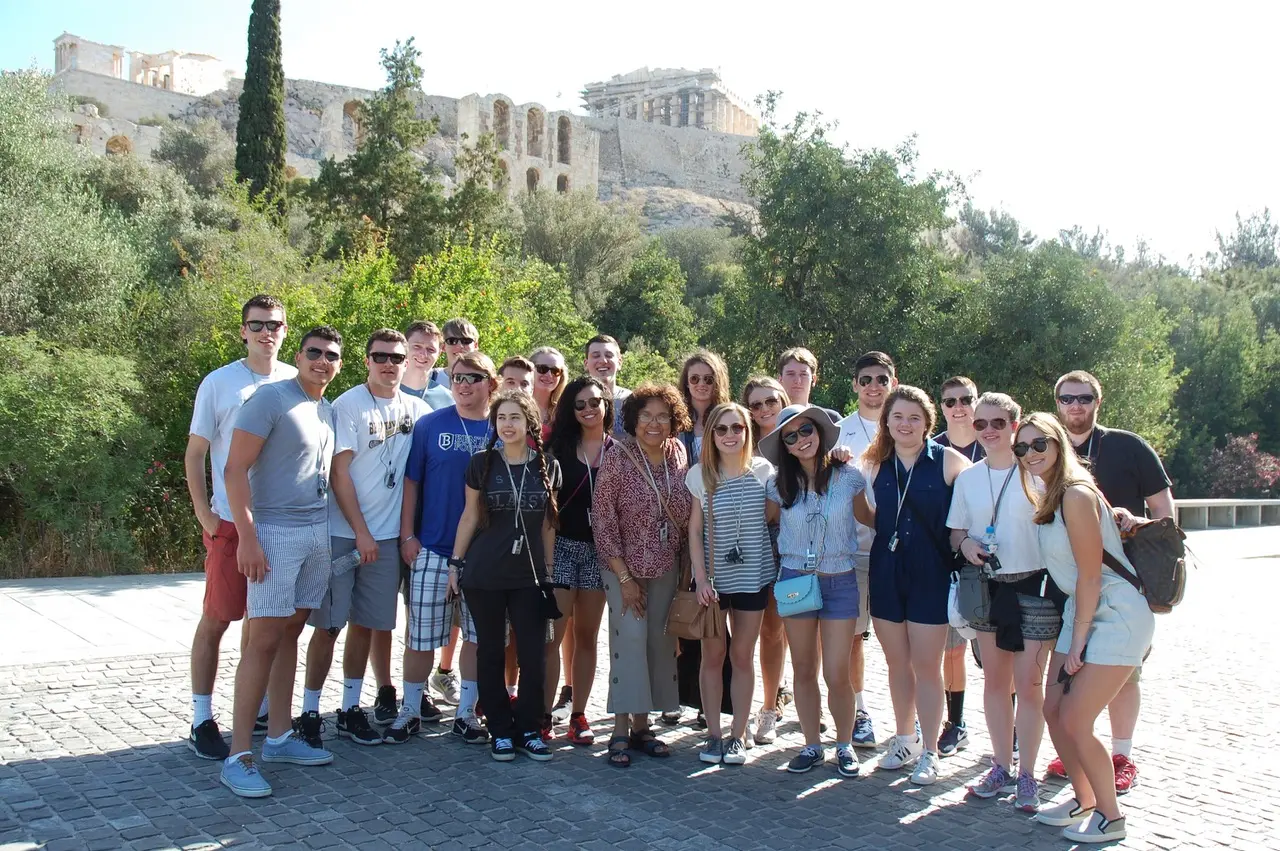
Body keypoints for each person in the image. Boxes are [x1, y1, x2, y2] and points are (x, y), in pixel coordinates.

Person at [1016, 413, 1154, 843]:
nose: (1031, 454)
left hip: (1115, 613)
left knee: (1075, 719)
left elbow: (1092, 575)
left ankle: (1111, 817)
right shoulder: (1051, 495)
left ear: (1059, 444)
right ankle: (1084, 797)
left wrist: (1076, 643)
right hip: (1084, 607)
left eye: (1040, 444)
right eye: (1022, 448)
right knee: (1052, 709)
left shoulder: (1075, 494)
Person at [218, 326, 343, 798]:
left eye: (331, 355)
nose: (322, 361)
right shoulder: (271, 399)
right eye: (314, 353)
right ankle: (239, 754)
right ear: (299, 354)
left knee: (291, 630)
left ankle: (279, 737)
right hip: (272, 533)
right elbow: (234, 469)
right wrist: (248, 538)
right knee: (262, 639)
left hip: (315, 532)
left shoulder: (325, 409)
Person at [296, 330, 432, 751]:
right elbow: (339, 474)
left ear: (407, 362)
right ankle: (309, 712)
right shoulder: (349, 405)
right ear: (366, 361)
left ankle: (351, 708)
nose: (388, 364)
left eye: (396, 357)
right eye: (379, 357)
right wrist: (360, 533)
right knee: (329, 625)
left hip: (388, 539)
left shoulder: (419, 409)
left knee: (367, 625)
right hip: (344, 534)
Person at [1043, 370, 1173, 794]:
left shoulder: (1127, 446)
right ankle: (1080, 748)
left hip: (1122, 584)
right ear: (1057, 403)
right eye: (1067, 399)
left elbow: (1165, 517)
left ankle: (1121, 755)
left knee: (1122, 675)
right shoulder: (1046, 450)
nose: (1075, 406)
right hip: (1071, 587)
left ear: (1098, 401)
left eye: (1083, 398)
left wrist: (1138, 522)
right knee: (1075, 680)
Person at [184, 295, 296, 760]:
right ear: (244, 331)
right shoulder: (220, 382)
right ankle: (201, 717)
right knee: (218, 619)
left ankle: (260, 711)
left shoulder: (297, 378)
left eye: (274, 325)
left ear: (285, 331)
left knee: (266, 624)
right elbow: (194, 454)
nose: (266, 332)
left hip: (280, 524)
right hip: (230, 522)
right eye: (257, 325)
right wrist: (206, 516)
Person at [948, 393, 1061, 812]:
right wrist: (968, 545)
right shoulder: (968, 478)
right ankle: (1000, 764)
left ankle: (1027, 774)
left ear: (1015, 425)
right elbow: (955, 533)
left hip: (1034, 589)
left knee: (1029, 686)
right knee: (995, 683)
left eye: (998, 422)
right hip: (986, 587)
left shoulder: (1038, 474)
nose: (989, 431)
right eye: (981, 424)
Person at [863, 385, 970, 787]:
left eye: (914, 418)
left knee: (927, 666)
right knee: (896, 664)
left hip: (931, 574)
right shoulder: (873, 464)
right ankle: (904, 739)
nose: (905, 424)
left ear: (928, 422)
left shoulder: (950, 463)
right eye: (897, 417)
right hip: (886, 572)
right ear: (886, 422)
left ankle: (930, 750)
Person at [758, 405, 871, 777]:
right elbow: (766, 524)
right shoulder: (777, 485)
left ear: (820, 431)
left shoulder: (850, 476)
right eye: (790, 436)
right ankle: (811, 745)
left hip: (839, 578)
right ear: (784, 447)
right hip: (795, 579)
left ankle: (843, 745)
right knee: (804, 669)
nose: (800, 440)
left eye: (806, 430)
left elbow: (872, 519)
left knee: (837, 673)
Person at [450, 390, 562, 762]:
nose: (507, 425)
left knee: (533, 655)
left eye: (515, 417)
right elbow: (468, 517)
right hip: (485, 573)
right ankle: (499, 729)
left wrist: (548, 573)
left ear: (529, 423)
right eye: (501, 418)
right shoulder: (481, 464)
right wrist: (455, 563)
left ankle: (528, 728)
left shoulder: (549, 466)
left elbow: (549, 525)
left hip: (529, 577)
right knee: (491, 653)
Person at [398, 352, 499, 746]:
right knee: (421, 636)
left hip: (484, 554)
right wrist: (409, 536)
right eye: (457, 377)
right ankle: (409, 709)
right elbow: (412, 484)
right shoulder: (428, 425)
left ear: (490, 383)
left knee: (477, 636)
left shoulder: (502, 426)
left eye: (473, 378)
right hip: (434, 547)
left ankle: (466, 713)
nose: (463, 384)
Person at [592, 382, 693, 767]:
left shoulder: (679, 454)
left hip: (667, 566)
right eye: (646, 416)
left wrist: (685, 573)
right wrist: (623, 578)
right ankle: (619, 729)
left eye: (663, 416)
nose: (654, 423)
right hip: (623, 567)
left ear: (673, 421)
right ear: (633, 420)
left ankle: (642, 727)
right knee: (629, 642)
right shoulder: (617, 457)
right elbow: (602, 520)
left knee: (657, 644)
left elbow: (686, 517)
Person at [687, 403, 775, 765]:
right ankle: (713, 734)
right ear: (711, 434)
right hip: (714, 582)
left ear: (746, 430)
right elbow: (694, 530)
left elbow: (774, 517)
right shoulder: (700, 475)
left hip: (754, 576)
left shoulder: (764, 471)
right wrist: (701, 578)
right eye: (721, 429)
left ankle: (738, 735)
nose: (729, 435)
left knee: (742, 655)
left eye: (736, 428)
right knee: (713, 656)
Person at [836, 351, 900, 749]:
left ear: (893, 382)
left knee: (904, 641)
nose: (874, 386)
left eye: (881, 378)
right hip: (852, 552)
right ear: (856, 385)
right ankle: (860, 712)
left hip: (900, 553)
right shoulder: (838, 432)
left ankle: (909, 722)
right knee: (854, 639)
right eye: (866, 379)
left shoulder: (909, 424)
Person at [545, 376, 614, 745]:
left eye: (595, 402)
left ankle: (579, 714)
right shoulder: (556, 447)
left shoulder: (618, 451)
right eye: (581, 404)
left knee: (586, 636)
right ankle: (541, 715)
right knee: (551, 637)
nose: (589, 409)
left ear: (606, 404)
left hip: (598, 552)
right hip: (562, 547)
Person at [933, 376, 986, 759]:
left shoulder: (995, 443)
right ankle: (956, 723)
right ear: (942, 406)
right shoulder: (931, 449)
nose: (959, 407)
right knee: (952, 653)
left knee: (1001, 655)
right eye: (950, 401)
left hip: (997, 566)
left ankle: (1013, 729)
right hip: (947, 564)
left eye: (965, 399)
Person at [740, 376, 789, 744]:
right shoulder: (741, 442)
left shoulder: (801, 436)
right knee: (750, 634)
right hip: (751, 547)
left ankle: (774, 707)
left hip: (793, 547)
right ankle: (749, 708)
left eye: (770, 401)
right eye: (755, 405)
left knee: (780, 632)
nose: (764, 410)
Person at [678, 350, 732, 461]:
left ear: (717, 382)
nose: (701, 384)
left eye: (708, 379)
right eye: (694, 379)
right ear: (687, 383)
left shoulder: (729, 418)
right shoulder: (675, 420)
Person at [776, 347, 840, 422]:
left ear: (814, 379)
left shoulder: (831, 419)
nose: (797, 381)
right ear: (780, 379)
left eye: (803, 374)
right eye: (791, 374)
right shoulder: (770, 419)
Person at [584, 334, 630, 435]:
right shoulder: (575, 402)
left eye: (609, 355)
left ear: (620, 362)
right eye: (596, 356)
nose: (603, 361)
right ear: (586, 364)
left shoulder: (633, 400)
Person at [529, 347, 568, 433]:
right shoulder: (515, 406)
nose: (549, 375)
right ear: (530, 370)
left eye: (555, 371)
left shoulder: (565, 411)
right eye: (542, 369)